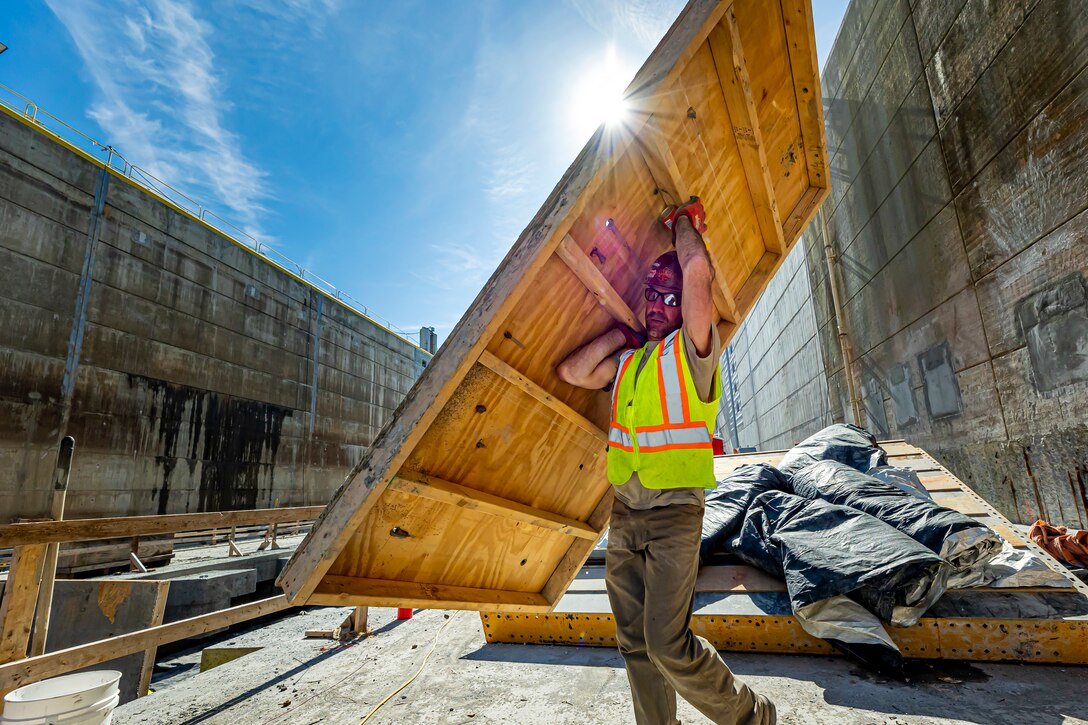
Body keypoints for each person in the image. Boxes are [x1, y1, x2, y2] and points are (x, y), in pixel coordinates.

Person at [556, 201, 776, 725]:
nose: (658, 304)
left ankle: (752, 718)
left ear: (684, 309)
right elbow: (572, 370)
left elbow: (698, 271)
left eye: (669, 298)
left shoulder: (693, 354)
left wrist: (681, 223)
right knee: (634, 645)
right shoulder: (629, 364)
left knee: (667, 643)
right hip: (626, 513)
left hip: (676, 513)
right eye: (651, 294)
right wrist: (623, 334)